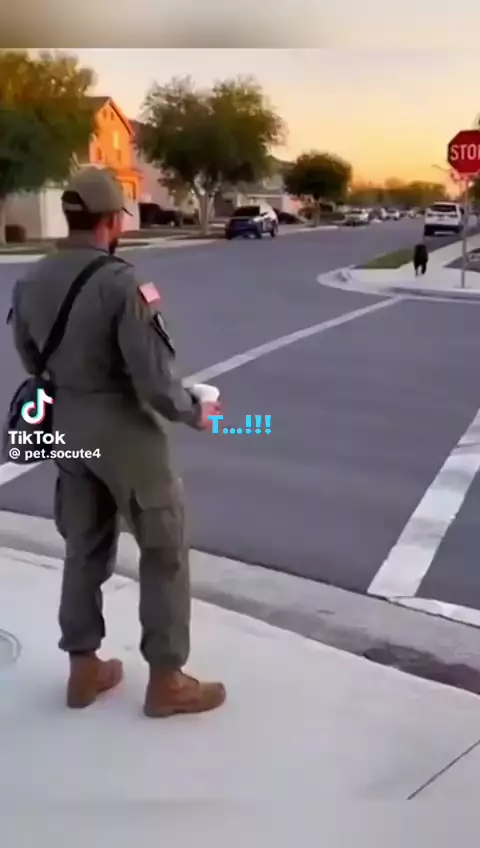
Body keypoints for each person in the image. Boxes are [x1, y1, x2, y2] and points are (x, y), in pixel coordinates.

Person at [8, 167, 226, 718]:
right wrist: (194, 412)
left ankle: (83, 669)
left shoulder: (31, 280)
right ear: (111, 221)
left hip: (68, 427)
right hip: (125, 435)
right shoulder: (122, 284)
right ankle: (168, 680)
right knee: (163, 550)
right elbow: (153, 380)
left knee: (83, 548)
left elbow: (32, 360)